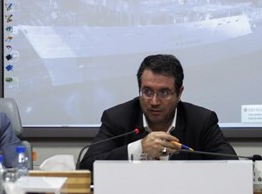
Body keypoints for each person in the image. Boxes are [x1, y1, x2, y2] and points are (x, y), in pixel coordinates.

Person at [79, 54, 236, 174]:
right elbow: (87, 168)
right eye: (147, 92)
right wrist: (139, 148)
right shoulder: (117, 118)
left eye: (164, 92)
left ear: (179, 93)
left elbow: (233, 167)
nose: (154, 101)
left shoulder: (201, 121)